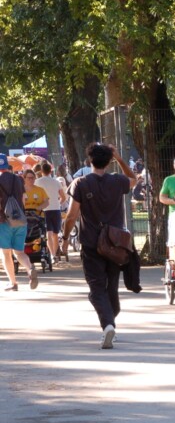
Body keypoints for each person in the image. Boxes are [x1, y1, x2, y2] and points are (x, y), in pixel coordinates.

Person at [61, 143, 136, 348]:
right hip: (115, 243)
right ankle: (111, 318)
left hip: (91, 242)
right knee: (111, 284)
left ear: (89, 160)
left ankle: (108, 325)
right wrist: (120, 159)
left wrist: (66, 238)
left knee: (96, 288)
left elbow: (71, 216)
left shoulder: (81, 183)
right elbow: (134, 180)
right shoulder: (118, 181)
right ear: (109, 160)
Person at [0, 153, 37, 291]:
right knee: (19, 252)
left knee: (6, 253)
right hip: (20, 220)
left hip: (3, 221)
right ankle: (30, 268)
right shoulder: (18, 179)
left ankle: (13, 282)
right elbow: (23, 200)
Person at [35, 162, 66, 265]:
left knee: (48, 232)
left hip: (44, 210)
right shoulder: (56, 182)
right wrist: (58, 203)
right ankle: (55, 255)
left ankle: (52, 254)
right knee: (56, 233)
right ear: (50, 171)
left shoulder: (37, 181)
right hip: (56, 209)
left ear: (41, 171)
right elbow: (63, 197)